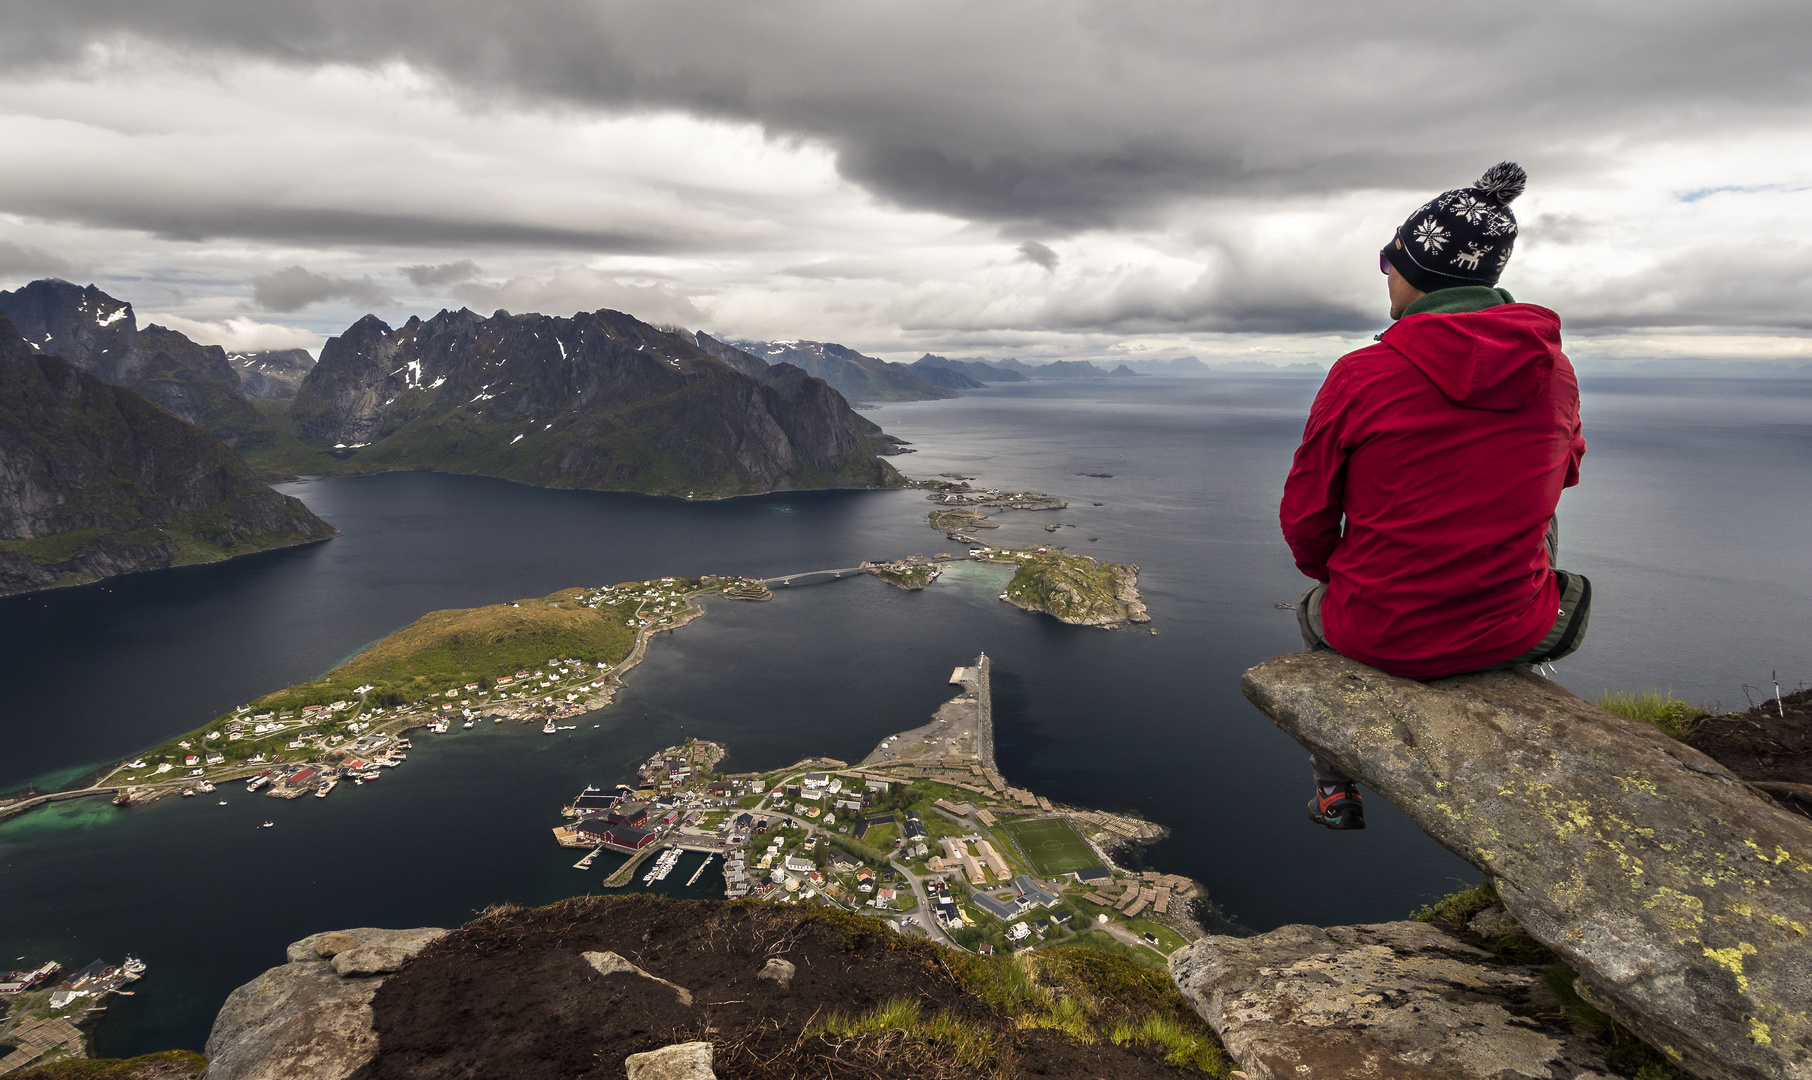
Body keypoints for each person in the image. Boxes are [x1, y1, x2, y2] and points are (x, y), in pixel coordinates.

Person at [1280, 162, 1590, 831]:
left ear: (1414, 269)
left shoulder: (1362, 374)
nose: (1384, 275)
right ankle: (1519, 680)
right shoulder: (1555, 370)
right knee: (1540, 512)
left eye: (1388, 260)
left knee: (1311, 611)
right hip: (1515, 627)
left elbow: (1306, 518)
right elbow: (1564, 473)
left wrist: (1339, 575)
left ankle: (1336, 790)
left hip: (1381, 631)